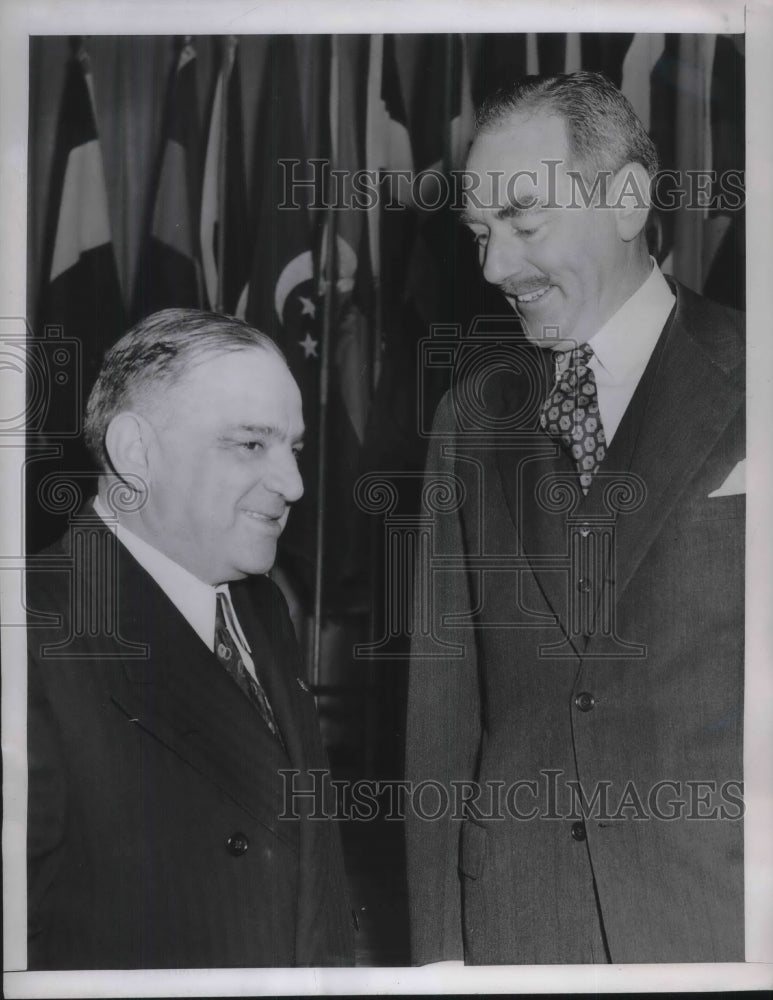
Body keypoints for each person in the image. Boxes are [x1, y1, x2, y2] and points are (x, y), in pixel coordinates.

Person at [405, 72, 744, 964]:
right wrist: (442, 955)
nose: (494, 268)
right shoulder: (470, 417)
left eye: (523, 220)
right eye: (479, 233)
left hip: (721, 912)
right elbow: (443, 708)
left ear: (626, 199)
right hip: (521, 923)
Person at [26, 309, 353, 969]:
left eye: (292, 447)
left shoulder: (259, 608)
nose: (292, 484)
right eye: (250, 444)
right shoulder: (31, 632)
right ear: (134, 452)